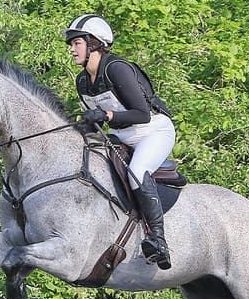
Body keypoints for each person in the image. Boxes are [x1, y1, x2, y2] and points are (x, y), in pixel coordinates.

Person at [62, 14, 174, 270]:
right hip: (122, 135)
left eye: (76, 43)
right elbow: (98, 121)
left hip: (153, 131)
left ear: (94, 43)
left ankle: (158, 239)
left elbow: (142, 114)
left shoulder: (116, 68)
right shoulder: (82, 81)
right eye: (72, 44)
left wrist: (106, 116)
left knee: (136, 172)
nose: (72, 49)